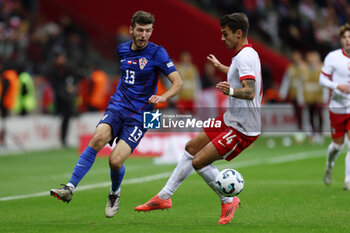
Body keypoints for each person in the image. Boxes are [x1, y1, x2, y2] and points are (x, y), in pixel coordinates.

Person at [50, 10, 183, 218]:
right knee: (98, 138)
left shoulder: (158, 53)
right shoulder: (122, 50)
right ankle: (69, 188)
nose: (143, 35)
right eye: (140, 30)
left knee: (115, 161)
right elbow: (126, 79)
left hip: (141, 115)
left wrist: (164, 97)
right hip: (118, 107)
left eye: (148, 31)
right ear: (131, 30)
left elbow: (178, 82)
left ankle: (114, 192)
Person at [135, 12, 262, 225]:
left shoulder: (245, 57)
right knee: (191, 147)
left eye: (225, 34)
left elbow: (250, 91)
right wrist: (223, 68)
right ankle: (164, 197)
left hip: (243, 127)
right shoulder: (247, 54)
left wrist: (230, 91)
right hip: (231, 117)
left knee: (199, 162)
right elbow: (242, 73)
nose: (222, 38)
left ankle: (228, 199)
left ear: (238, 34)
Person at [319, 23, 350, 191]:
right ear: (341, 40)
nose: (348, 40)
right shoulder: (333, 57)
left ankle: (348, 179)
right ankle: (329, 166)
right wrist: (336, 85)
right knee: (337, 146)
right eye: (345, 37)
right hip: (337, 107)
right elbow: (322, 80)